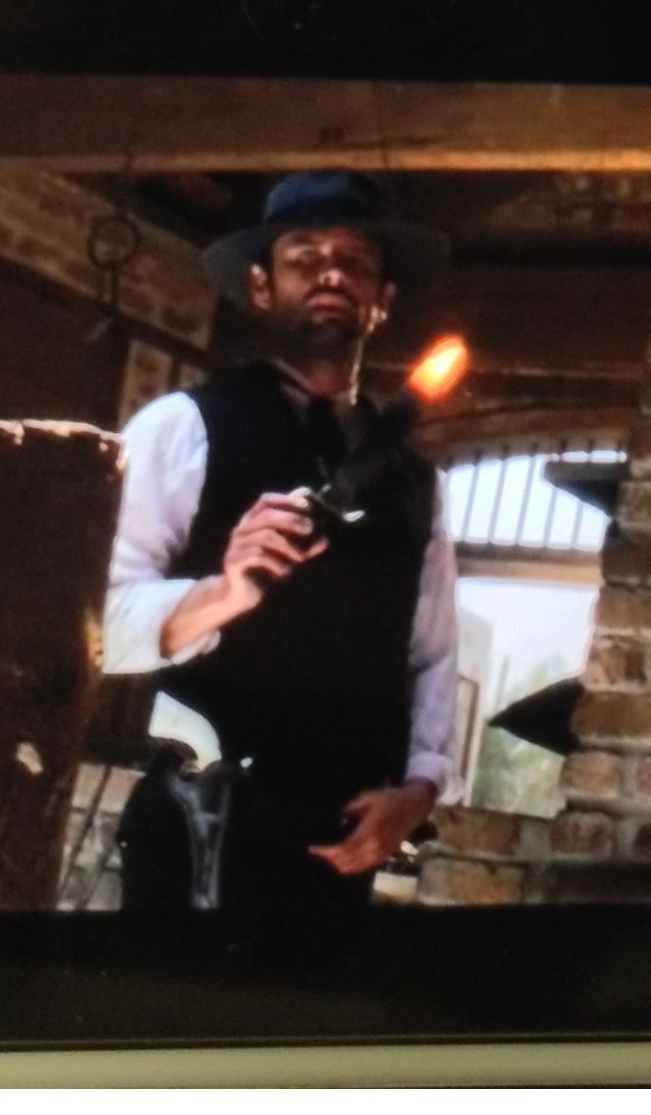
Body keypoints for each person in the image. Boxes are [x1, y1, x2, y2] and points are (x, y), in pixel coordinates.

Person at [102, 170, 459, 915]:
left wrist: (420, 791)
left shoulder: (415, 483)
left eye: (355, 262)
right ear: (261, 288)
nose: (332, 274)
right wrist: (224, 592)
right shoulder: (181, 428)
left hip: (340, 848)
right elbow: (100, 622)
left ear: (383, 298)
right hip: (199, 829)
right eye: (305, 258)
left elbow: (431, 656)